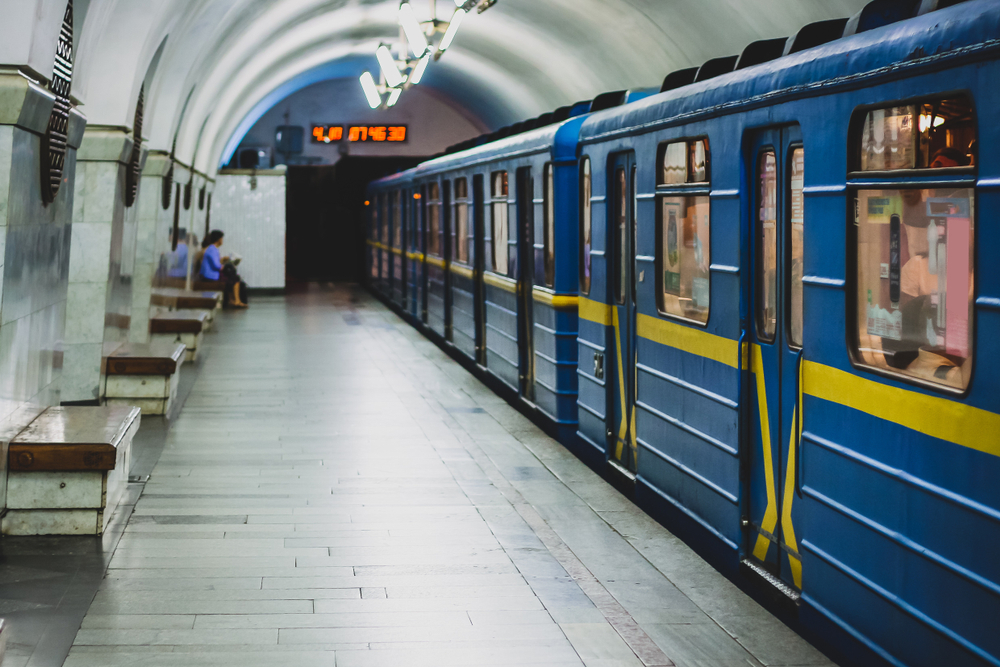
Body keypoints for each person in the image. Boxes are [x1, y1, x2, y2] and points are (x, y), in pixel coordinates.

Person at [201, 230, 248, 308]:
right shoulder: (212, 249)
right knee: (234, 278)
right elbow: (216, 265)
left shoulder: (212, 249)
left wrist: (223, 260)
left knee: (233, 276)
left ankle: (235, 300)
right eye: (221, 238)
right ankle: (236, 300)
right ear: (219, 239)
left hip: (211, 274)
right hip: (210, 276)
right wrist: (223, 266)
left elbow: (215, 262)